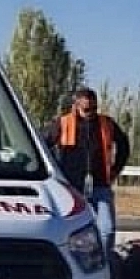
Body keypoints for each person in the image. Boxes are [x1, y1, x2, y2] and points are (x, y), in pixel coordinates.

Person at [50, 88, 131, 253]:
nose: (91, 113)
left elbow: (123, 145)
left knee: (107, 229)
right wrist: (54, 172)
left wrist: (116, 169)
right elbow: (43, 144)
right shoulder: (63, 123)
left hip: (101, 184)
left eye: (94, 108)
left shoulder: (106, 123)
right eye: (87, 109)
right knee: (72, 232)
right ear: (75, 106)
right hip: (72, 188)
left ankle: (104, 263)